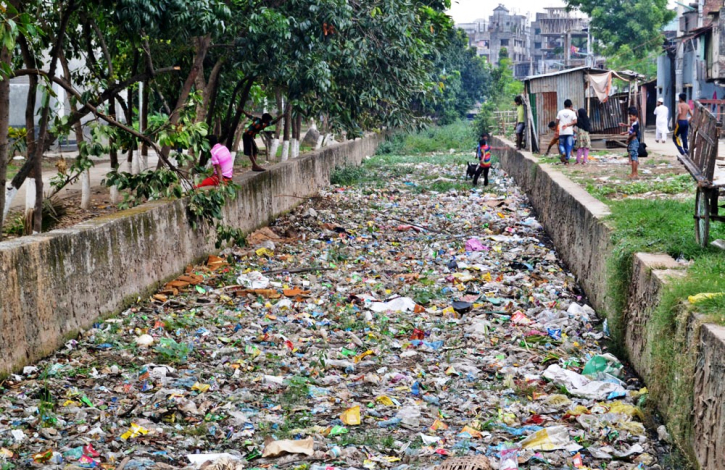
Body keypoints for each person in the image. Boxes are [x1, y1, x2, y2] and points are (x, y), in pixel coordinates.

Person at [621, 106, 640, 179]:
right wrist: (625, 132)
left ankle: (634, 173)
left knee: (634, 158)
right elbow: (631, 130)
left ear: (635, 116)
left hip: (633, 141)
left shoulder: (635, 123)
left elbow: (633, 133)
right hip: (633, 141)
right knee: (634, 157)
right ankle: (635, 173)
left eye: (631, 116)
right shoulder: (634, 123)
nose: (630, 118)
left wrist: (628, 138)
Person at [556, 99, 577, 164]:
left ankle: (563, 152)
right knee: (569, 145)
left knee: (561, 144)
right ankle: (567, 158)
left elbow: (557, 121)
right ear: (571, 105)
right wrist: (568, 125)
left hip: (562, 131)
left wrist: (557, 128)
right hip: (569, 132)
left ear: (564, 105)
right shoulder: (572, 113)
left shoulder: (560, 112)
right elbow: (575, 121)